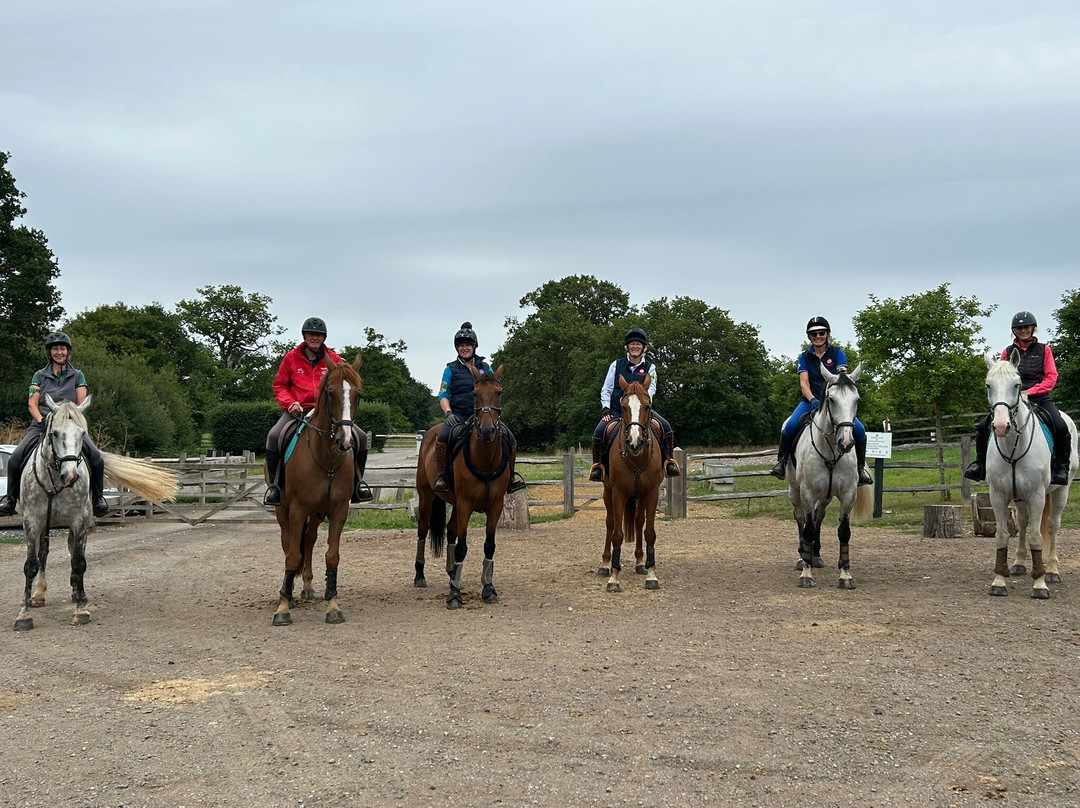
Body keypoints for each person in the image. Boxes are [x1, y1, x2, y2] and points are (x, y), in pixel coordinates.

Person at [263, 317, 372, 506]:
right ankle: (275, 487)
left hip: (327, 411)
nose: (315, 338)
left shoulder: (334, 359)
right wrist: (290, 403)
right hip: (298, 410)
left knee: (361, 438)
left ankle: (358, 485)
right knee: (274, 436)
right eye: (311, 334)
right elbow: (280, 385)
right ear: (305, 336)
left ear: (324, 338)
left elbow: (344, 385)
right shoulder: (291, 358)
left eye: (319, 335)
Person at [0, 332, 110, 518]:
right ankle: (10, 500)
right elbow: (32, 404)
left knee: (96, 457)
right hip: (41, 423)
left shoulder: (78, 375)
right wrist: (42, 421)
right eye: (55, 349)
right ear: (49, 352)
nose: (59, 352)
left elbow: (80, 403)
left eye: (62, 348)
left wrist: (69, 420)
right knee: (15, 458)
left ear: (68, 351)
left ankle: (98, 499)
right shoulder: (39, 375)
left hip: (69, 425)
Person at [964, 310, 1072, 486]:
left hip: (1040, 398)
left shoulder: (1044, 350)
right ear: (1014, 331)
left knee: (1061, 426)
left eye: (1026, 327)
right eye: (1019, 328)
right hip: (1012, 401)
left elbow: (1051, 377)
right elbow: (1000, 378)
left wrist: (1030, 392)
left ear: (1033, 328)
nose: (1023, 331)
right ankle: (980, 465)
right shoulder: (1007, 352)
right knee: (983, 427)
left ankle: (1061, 467)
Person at [769, 316, 873, 486]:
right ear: (809, 337)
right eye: (814, 334)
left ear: (827, 334)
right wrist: (812, 400)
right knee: (790, 426)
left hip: (834, 402)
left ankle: (860, 469)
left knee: (860, 430)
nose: (818, 336)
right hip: (810, 402)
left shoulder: (837, 353)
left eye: (821, 333)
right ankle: (781, 463)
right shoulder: (804, 357)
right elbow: (804, 383)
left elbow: (842, 378)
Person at [433, 322, 527, 495]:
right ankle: (442, 476)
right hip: (459, 416)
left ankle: (511, 478)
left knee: (510, 438)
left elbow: (494, 388)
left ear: (474, 347)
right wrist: (449, 413)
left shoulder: (485, 367)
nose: (464, 348)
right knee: (443, 437)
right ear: (457, 348)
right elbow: (443, 395)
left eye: (468, 345)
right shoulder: (450, 369)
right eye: (461, 345)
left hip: (485, 415)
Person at [588, 327, 681, 482]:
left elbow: (651, 388)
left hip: (642, 410)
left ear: (643, 347)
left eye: (638, 344)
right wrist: (606, 408)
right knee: (599, 432)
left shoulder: (651, 368)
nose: (635, 346)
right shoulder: (616, 365)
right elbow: (606, 389)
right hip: (618, 411)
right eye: (632, 344)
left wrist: (642, 403)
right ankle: (598, 467)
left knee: (666, 427)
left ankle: (669, 462)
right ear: (628, 346)